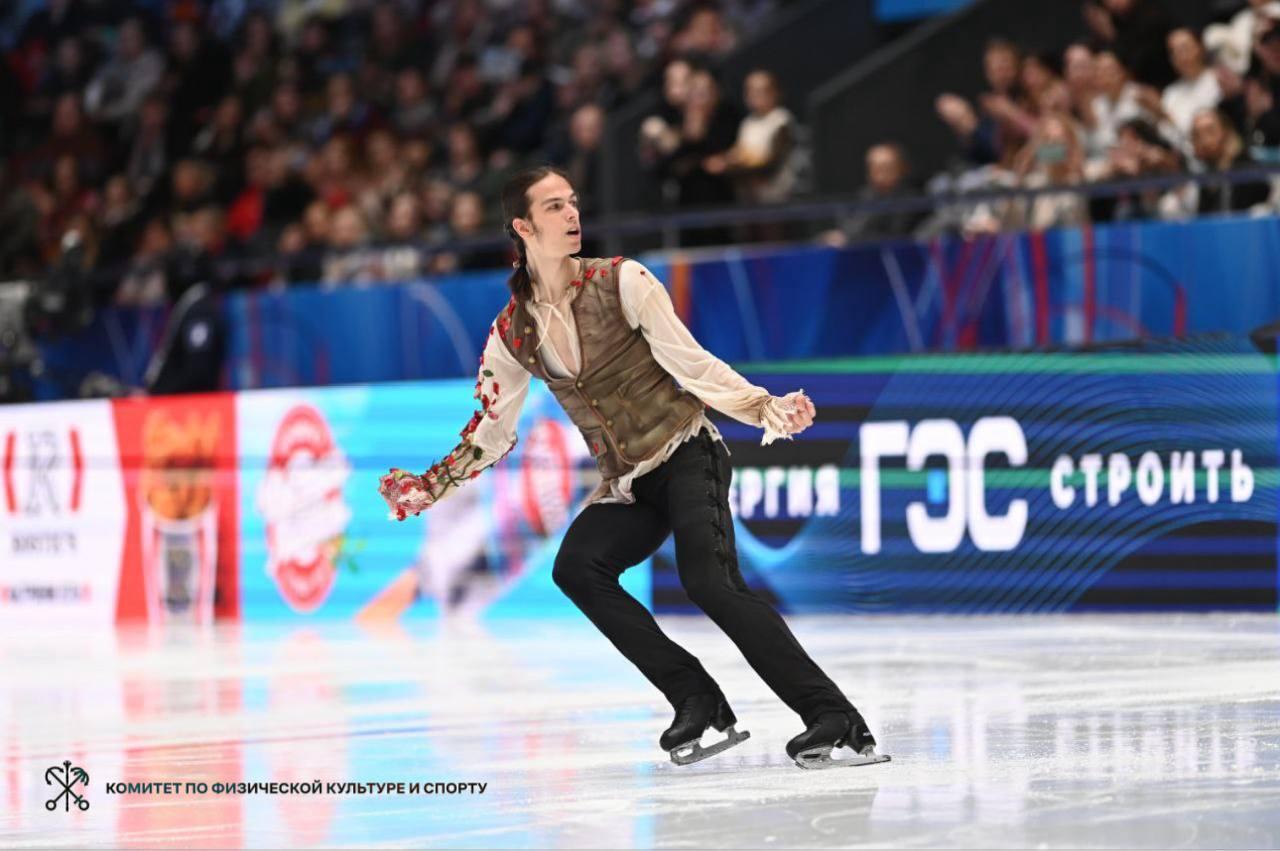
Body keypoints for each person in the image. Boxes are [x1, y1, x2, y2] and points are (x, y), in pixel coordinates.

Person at [377, 165, 888, 771]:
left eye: (573, 202)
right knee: (577, 569)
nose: (572, 214)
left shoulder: (623, 281)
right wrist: (432, 486)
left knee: (710, 582)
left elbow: (693, 365)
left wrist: (764, 407)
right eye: (554, 206)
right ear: (523, 227)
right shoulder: (512, 332)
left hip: (688, 452)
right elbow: (493, 431)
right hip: (627, 484)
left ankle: (834, 717)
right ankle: (694, 696)